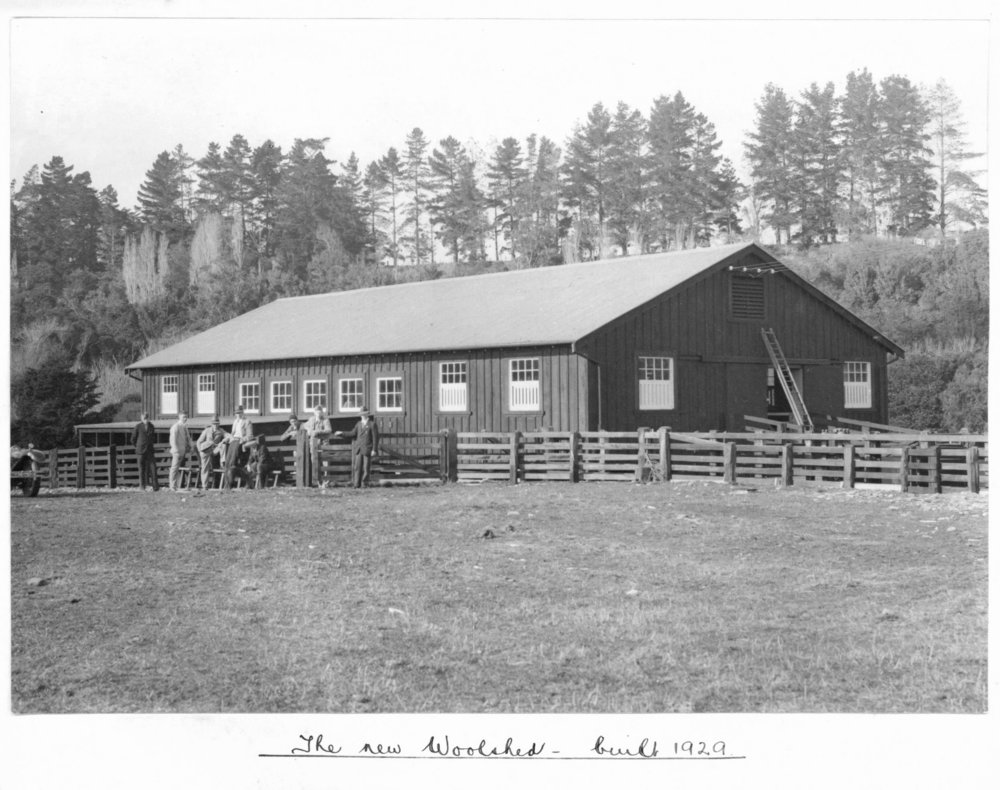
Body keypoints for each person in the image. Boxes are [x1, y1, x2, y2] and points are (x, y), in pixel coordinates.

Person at [336, 408, 379, 489]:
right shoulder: (358, 424)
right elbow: (352, 433)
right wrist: (342, 433)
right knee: (357, 467)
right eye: (361, 414)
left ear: (367, 414)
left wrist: (374, 449)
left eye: (364, 414)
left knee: (366, 468)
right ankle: (356, 484)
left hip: (367, 449)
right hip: (358, 449)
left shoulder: (372, 424)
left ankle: (364, 484)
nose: (362, 415)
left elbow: (375, 438)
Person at [222, 404, 254, 490]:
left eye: (240, 413)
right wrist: (228, 438)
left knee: (233, 463)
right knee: (227, 463)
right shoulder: (235, 421)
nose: (238, 415)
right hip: (233, 441)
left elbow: (250, 436)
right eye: (237, 413)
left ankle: (230, 484)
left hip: (240, 442)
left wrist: (242, 440)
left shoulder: (247, 421)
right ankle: (226, 484)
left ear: (243, 412)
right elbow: (233, 434)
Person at [196, 416, 227, 490]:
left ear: (219, 424)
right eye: (214, 424)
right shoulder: (207, 431)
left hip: (215, 449)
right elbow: (199, 441)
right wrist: (200, 451)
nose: (215, 425)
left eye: (217, 424)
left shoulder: (221, 431)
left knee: (223, 445)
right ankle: (204, 485)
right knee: (205, 467)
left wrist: (226, 439)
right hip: (206, 450)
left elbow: (227, 435)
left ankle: (222, 461)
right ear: (211, 424)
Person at [130, 412, 159, 491]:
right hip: (140, 451)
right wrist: (138, 446)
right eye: (144, 418)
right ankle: (142, 486)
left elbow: (153, 437)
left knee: (153, 468)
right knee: (141, 469)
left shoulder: (152, 426)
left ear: (149, 418)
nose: (145, 420)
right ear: (141, 419)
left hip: (149, 450)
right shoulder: (138, 426)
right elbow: (133, 439)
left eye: (147, 418)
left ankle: (155, 487)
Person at [304, 406, 332, 486]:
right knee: (315, 462)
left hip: (323, 444)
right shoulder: (311, 419)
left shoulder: (326, 420)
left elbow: (329, 430)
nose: (318, 413)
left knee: (325, 463)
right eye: (317, 412)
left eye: (320, 412)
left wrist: (317, 432)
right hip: (314, 445)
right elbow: (304, 425)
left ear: (322, 412)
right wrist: (308, 430)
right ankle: (317, 482)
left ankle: (326, 482)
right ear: (314, 412)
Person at [168, 411, 194, 491]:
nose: (185, 419)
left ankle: (178, 486)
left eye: (186, 417)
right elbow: (172, 439)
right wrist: (175, 450)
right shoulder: (175, 426)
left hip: (183, 451)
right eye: (183, 417)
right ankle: (172, 486)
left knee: (179, 468)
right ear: (179, 417)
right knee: (174, 468)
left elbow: (188, 438)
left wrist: (192, 446)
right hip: (177, 451)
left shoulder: (185, 427)